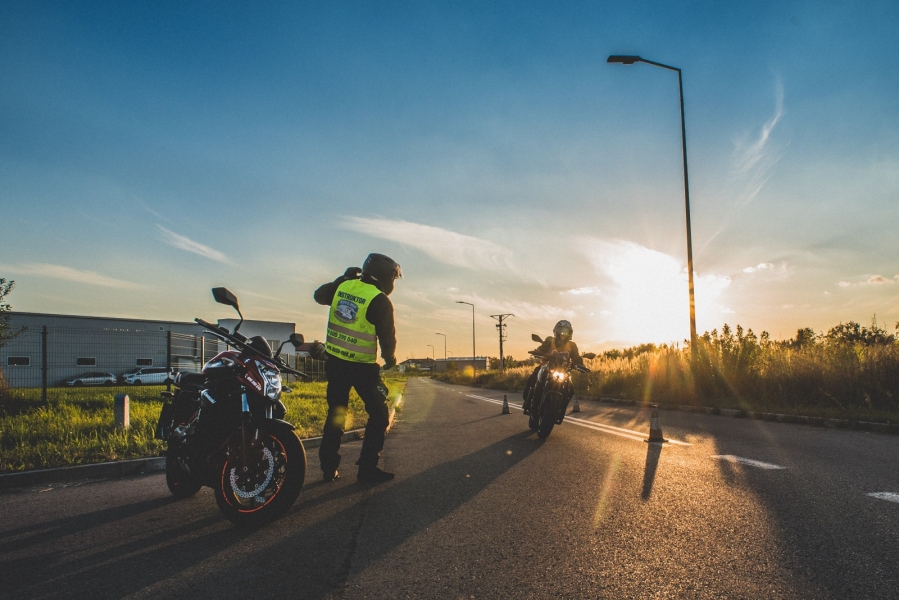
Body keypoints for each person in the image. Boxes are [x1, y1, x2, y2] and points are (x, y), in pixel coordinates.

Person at [314, 253, 402, 484]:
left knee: (336, 413)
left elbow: (319, 295)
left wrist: (342, 278)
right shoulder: (379, 300)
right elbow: (387, 337)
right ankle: (367, 469)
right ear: (386, 277)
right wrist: (390, 359)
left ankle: (328, 468)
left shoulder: (343, 285)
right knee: (379, 415)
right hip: (362, 369)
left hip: (335, 364)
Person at [522, 320, 583, 415]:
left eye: (566, 331)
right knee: (533, 377)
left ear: (569, 333)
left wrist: (579, 363)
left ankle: (560, 410)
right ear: (556, 330)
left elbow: (576, 356)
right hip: (546, 367)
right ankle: (529, 403)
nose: (563, 334)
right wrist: (538, 352)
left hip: (563, 371)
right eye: (561, 330)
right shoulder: (550, 340)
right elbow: (542, 348)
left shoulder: (572, 345)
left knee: (570, 389)